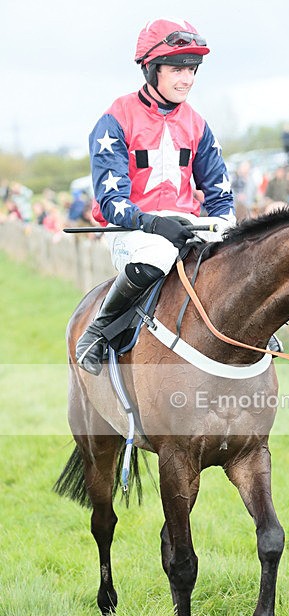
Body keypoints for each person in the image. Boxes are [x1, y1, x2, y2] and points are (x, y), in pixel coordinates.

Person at [75, 18, 237, 375]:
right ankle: (98, 331)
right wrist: (153, 223)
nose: (187, 79)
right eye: (177, 69)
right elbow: (111, 202)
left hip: (187, 224)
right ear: (151, 69)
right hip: (132, 230)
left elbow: (219, 192)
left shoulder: (197, 124)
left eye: (192, 69)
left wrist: (226, 225)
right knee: (159, 253)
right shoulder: (114, 120)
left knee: (242, 253)